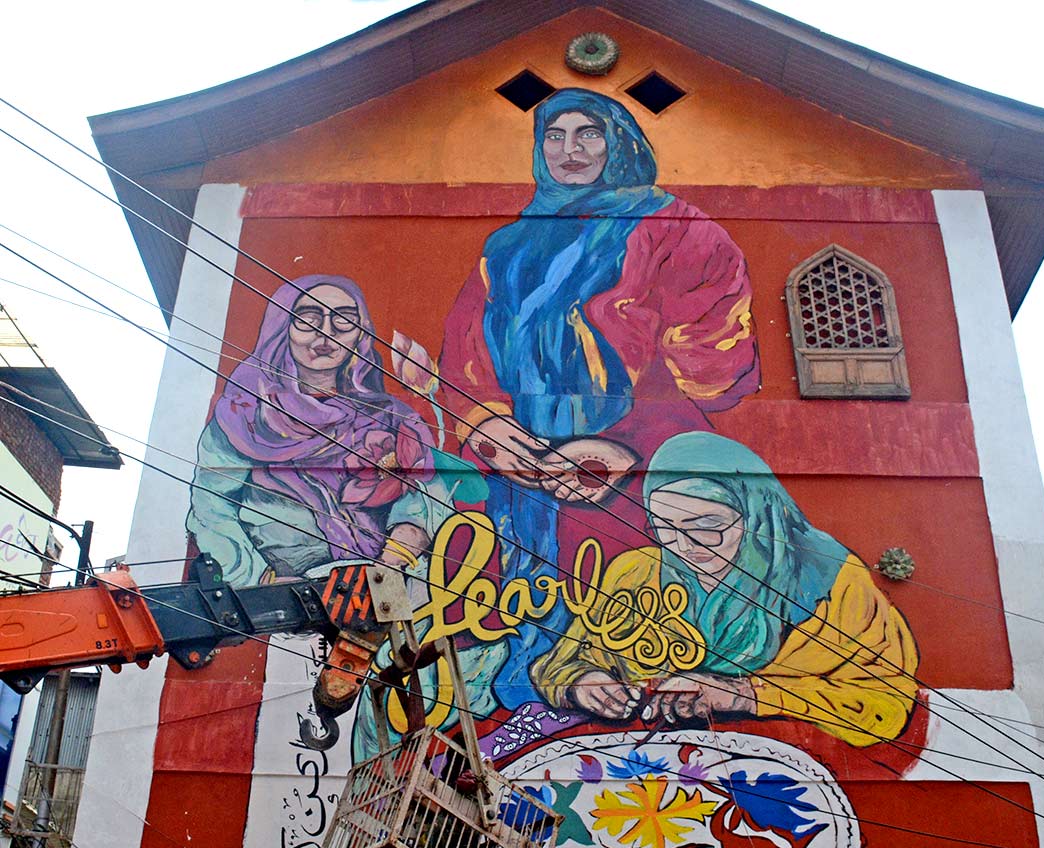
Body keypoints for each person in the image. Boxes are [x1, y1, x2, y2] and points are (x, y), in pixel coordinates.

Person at [438, 89, 760, 708]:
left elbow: (718, 372)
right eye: (554, 136)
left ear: (620, 143)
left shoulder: (680, 231)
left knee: (632, 623)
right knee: (528, 615)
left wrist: (622, 439)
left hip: (641, 477)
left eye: (589, 133)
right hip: (524, 477)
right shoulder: (508, 246)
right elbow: (467, 351)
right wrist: (486, 426)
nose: (570, 150)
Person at [530, 432, 919, 748]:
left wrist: (745, 695)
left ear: (758, 515)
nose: (685, 547)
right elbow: (558, 663)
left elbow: (885, 705)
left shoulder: (833, 583)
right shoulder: (636, 571)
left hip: (785, 789)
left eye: (706, 526)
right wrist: (582, 685)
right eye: (665, 529)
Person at [187, 274, 443, 587]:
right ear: (282, 328)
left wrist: (388, 566)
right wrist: (260, 582)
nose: (325, 335)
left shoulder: (394, 417)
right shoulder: (244, 413)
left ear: (360, 334)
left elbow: (427, 496)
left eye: (344, 321)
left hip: (392, 592)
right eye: (307, 319)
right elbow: (210, 505)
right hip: (284, 605)